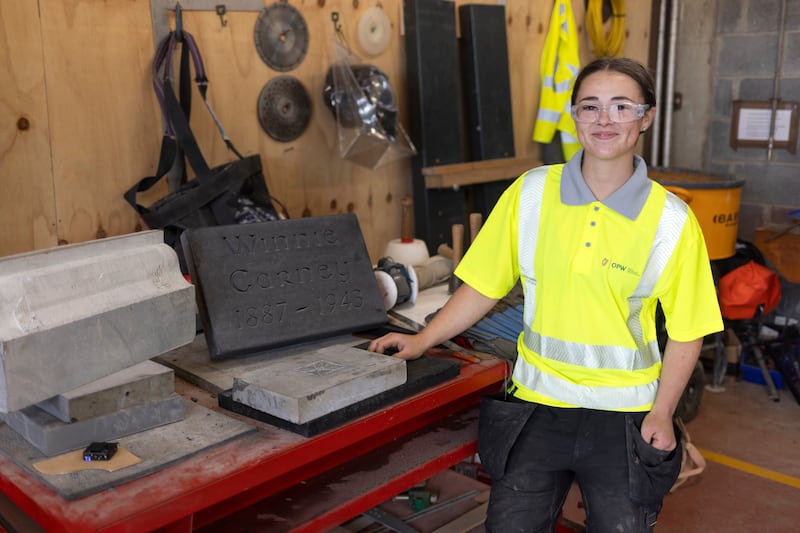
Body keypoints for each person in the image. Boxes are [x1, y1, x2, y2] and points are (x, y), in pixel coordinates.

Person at [368, 57, 724, 532]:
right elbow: (482, 287)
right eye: (590, 106)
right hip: (537, 405)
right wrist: (422, 339)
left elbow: (688, 330)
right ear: (574, 115)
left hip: (625, 418)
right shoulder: (531, 194)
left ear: (647, 117)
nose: (604, 120)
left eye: (621, 107)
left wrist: (662, 412)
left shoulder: (673, 221)